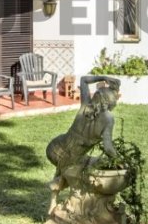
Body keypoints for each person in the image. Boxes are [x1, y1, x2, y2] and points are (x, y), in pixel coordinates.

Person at [44, 74, 122, 211]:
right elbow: (108, 148)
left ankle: (55, 197)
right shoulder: (108, 119)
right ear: (110, 102)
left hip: (54, 147)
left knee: (84, 163)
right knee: (86, 173)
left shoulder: (86, 106)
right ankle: (76, 209)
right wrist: (119, 161)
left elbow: (83, 80)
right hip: (71, 157)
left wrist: (103, 77)